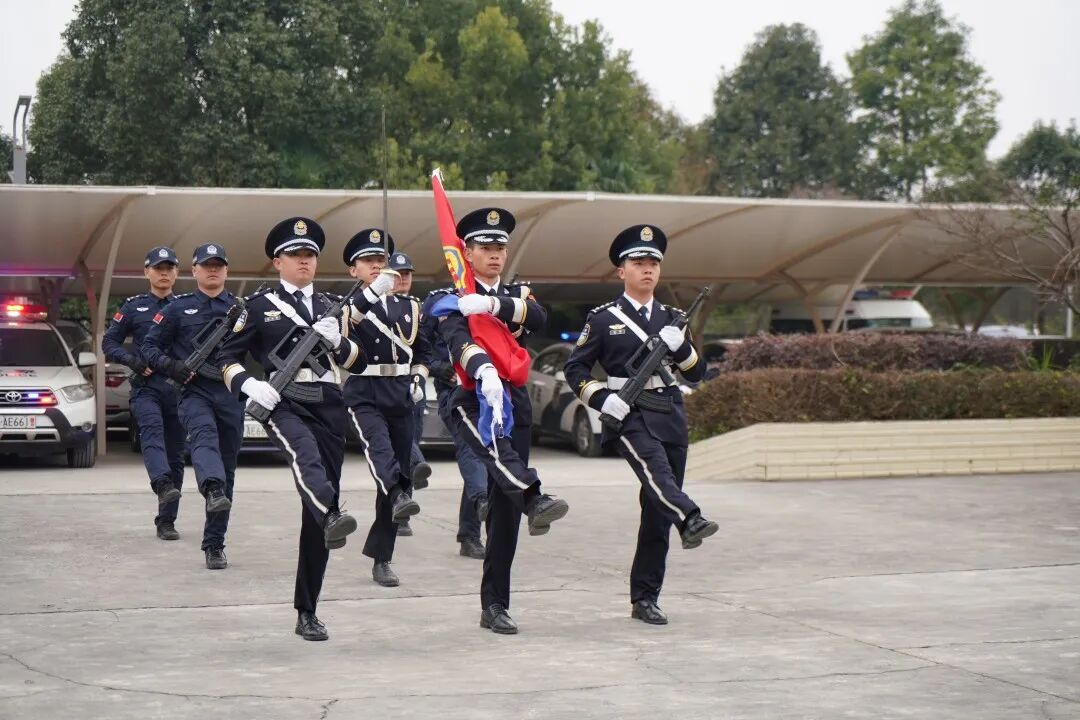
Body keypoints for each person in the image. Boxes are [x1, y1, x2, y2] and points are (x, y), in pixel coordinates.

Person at [563, 224, 719, 626]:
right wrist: (600, 398)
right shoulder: (602, 320)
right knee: (659, 478)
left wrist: (681, 346)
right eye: (638, 262)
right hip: (628, 414)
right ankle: (691, 516)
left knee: (655, 508)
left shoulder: (672, 319)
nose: (647, 269)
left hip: (669, 413)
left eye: (653, 263)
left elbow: (697, 373)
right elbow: (575, 368)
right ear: (621, 271)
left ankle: (646, 597)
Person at [217, 217, 364, 641]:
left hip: (329, 403)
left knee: (317, 516)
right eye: (296, 255)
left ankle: (307, 610)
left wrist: (338, 342)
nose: (305, 261)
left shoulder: (333, 306)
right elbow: (226, 360)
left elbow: (357, 361)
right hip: (284, 403)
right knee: (305, 455)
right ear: (277, 261)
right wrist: (249, 385)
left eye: (311, 255)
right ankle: (332, 511)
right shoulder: (258, 307)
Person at [434, 207, 569, 634]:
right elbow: (455, 341)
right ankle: (535, 496)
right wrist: (483, 368)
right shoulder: (451, 297)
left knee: (504, 510)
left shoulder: (515, 296)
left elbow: (543, 318)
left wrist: (492, 302)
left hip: (515, 401)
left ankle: (495, 604)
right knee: (505, 465)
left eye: (500, 248)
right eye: (486, 248)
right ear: (467, 253)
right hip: (472, 398)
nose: (495, 255)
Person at [142, 244, 245, 570]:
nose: (213, 270)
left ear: (226, 271)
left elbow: (259, 349)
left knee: (227, 469)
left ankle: (214, 544)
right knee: (203, 438)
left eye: (219, 265)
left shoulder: (241, 310)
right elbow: (148, 347)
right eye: (206, 265)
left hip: (230, 394)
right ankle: (210, 487)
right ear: (195, 270)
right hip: (193, 391)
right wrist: (174, 367)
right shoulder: (177, 309)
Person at [340, 231, 429, 587]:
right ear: (353, 271)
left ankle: (382, 557)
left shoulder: (410, 306)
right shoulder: (346, 305)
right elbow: (346, 330)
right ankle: (398, 494)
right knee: (381, 454)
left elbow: (423, 352)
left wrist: (420, 379)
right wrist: (373, 293)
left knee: (402, 471)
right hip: (364, 390)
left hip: (401, 390)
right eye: (368, 261)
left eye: (382, 260)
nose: (377, 266)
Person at [102, 247, 185, 541]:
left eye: (170, 268)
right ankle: (162, 484)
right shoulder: (134, 307)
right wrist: (132, 361)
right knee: (151, 433)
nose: (164, 273)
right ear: (146, 272)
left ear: (177, 272)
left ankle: (166, 520)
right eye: (158, 268)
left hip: (177, 390)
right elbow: (109, 343)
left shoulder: (186, 307)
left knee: (176, 454)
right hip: (146, 388)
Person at [387, 251, 431, 538]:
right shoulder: (377, 306)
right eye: (397, 274)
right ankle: (394, 500)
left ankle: (404, 512)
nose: (403, 278)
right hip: (382, 384)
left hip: (411, 386)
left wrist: (420, 377)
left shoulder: (417, 309)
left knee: (409, 443)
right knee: (392, 448)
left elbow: (428, 351)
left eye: (407, 274)